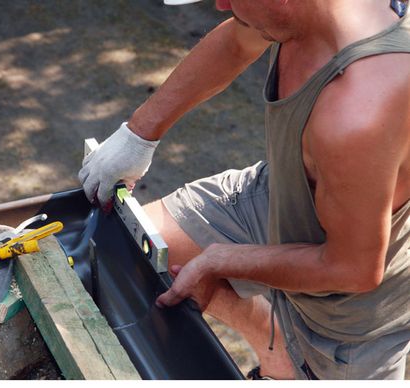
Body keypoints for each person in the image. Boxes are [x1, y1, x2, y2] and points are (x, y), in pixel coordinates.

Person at [78, 0, 410, 380]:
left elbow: (352, 269)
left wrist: (222, 260)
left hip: (348, 313)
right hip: (285, 193)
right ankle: (276, 345)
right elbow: (237, 42)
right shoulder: (303, 11)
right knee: (129, 249)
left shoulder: (358, 110)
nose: (220, 5)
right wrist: (138, 135)